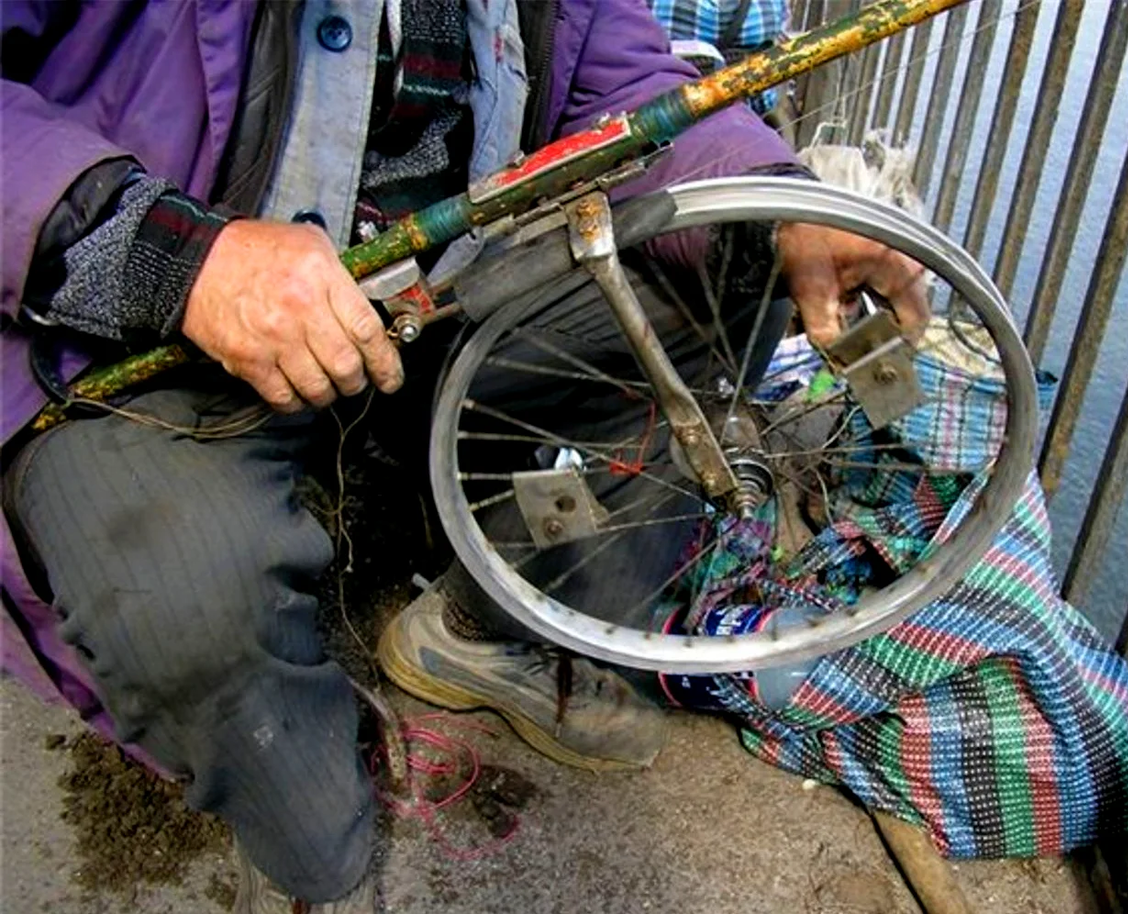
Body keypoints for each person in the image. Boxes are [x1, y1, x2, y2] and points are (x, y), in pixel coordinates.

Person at [0, 1, 928, 910]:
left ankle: (486, 625)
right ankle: (304, 847)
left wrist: (790, 210)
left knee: (743, 272)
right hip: (134, 339)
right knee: (190, 608)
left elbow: (639, 95)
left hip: (423, 312)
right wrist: (176, 260)